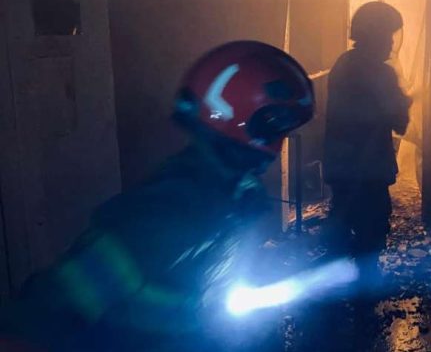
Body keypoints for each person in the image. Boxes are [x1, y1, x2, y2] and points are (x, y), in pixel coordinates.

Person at [0, 41, 315, 351]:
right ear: (244, 119)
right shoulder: (161, 218)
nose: (279, 144)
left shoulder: (238, 198)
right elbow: (34, 323)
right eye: (276, 128)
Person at [323, 2, 411, 291]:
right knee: (371, 225)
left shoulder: (343, 64)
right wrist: (404, 102)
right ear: (376, 35)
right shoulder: (381, 74)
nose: (391, 43)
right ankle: (366, 287)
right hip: (370, 167)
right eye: (387, 36)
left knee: (342, 218)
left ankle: (331, 284)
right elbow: (399, 122)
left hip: (341, 163)